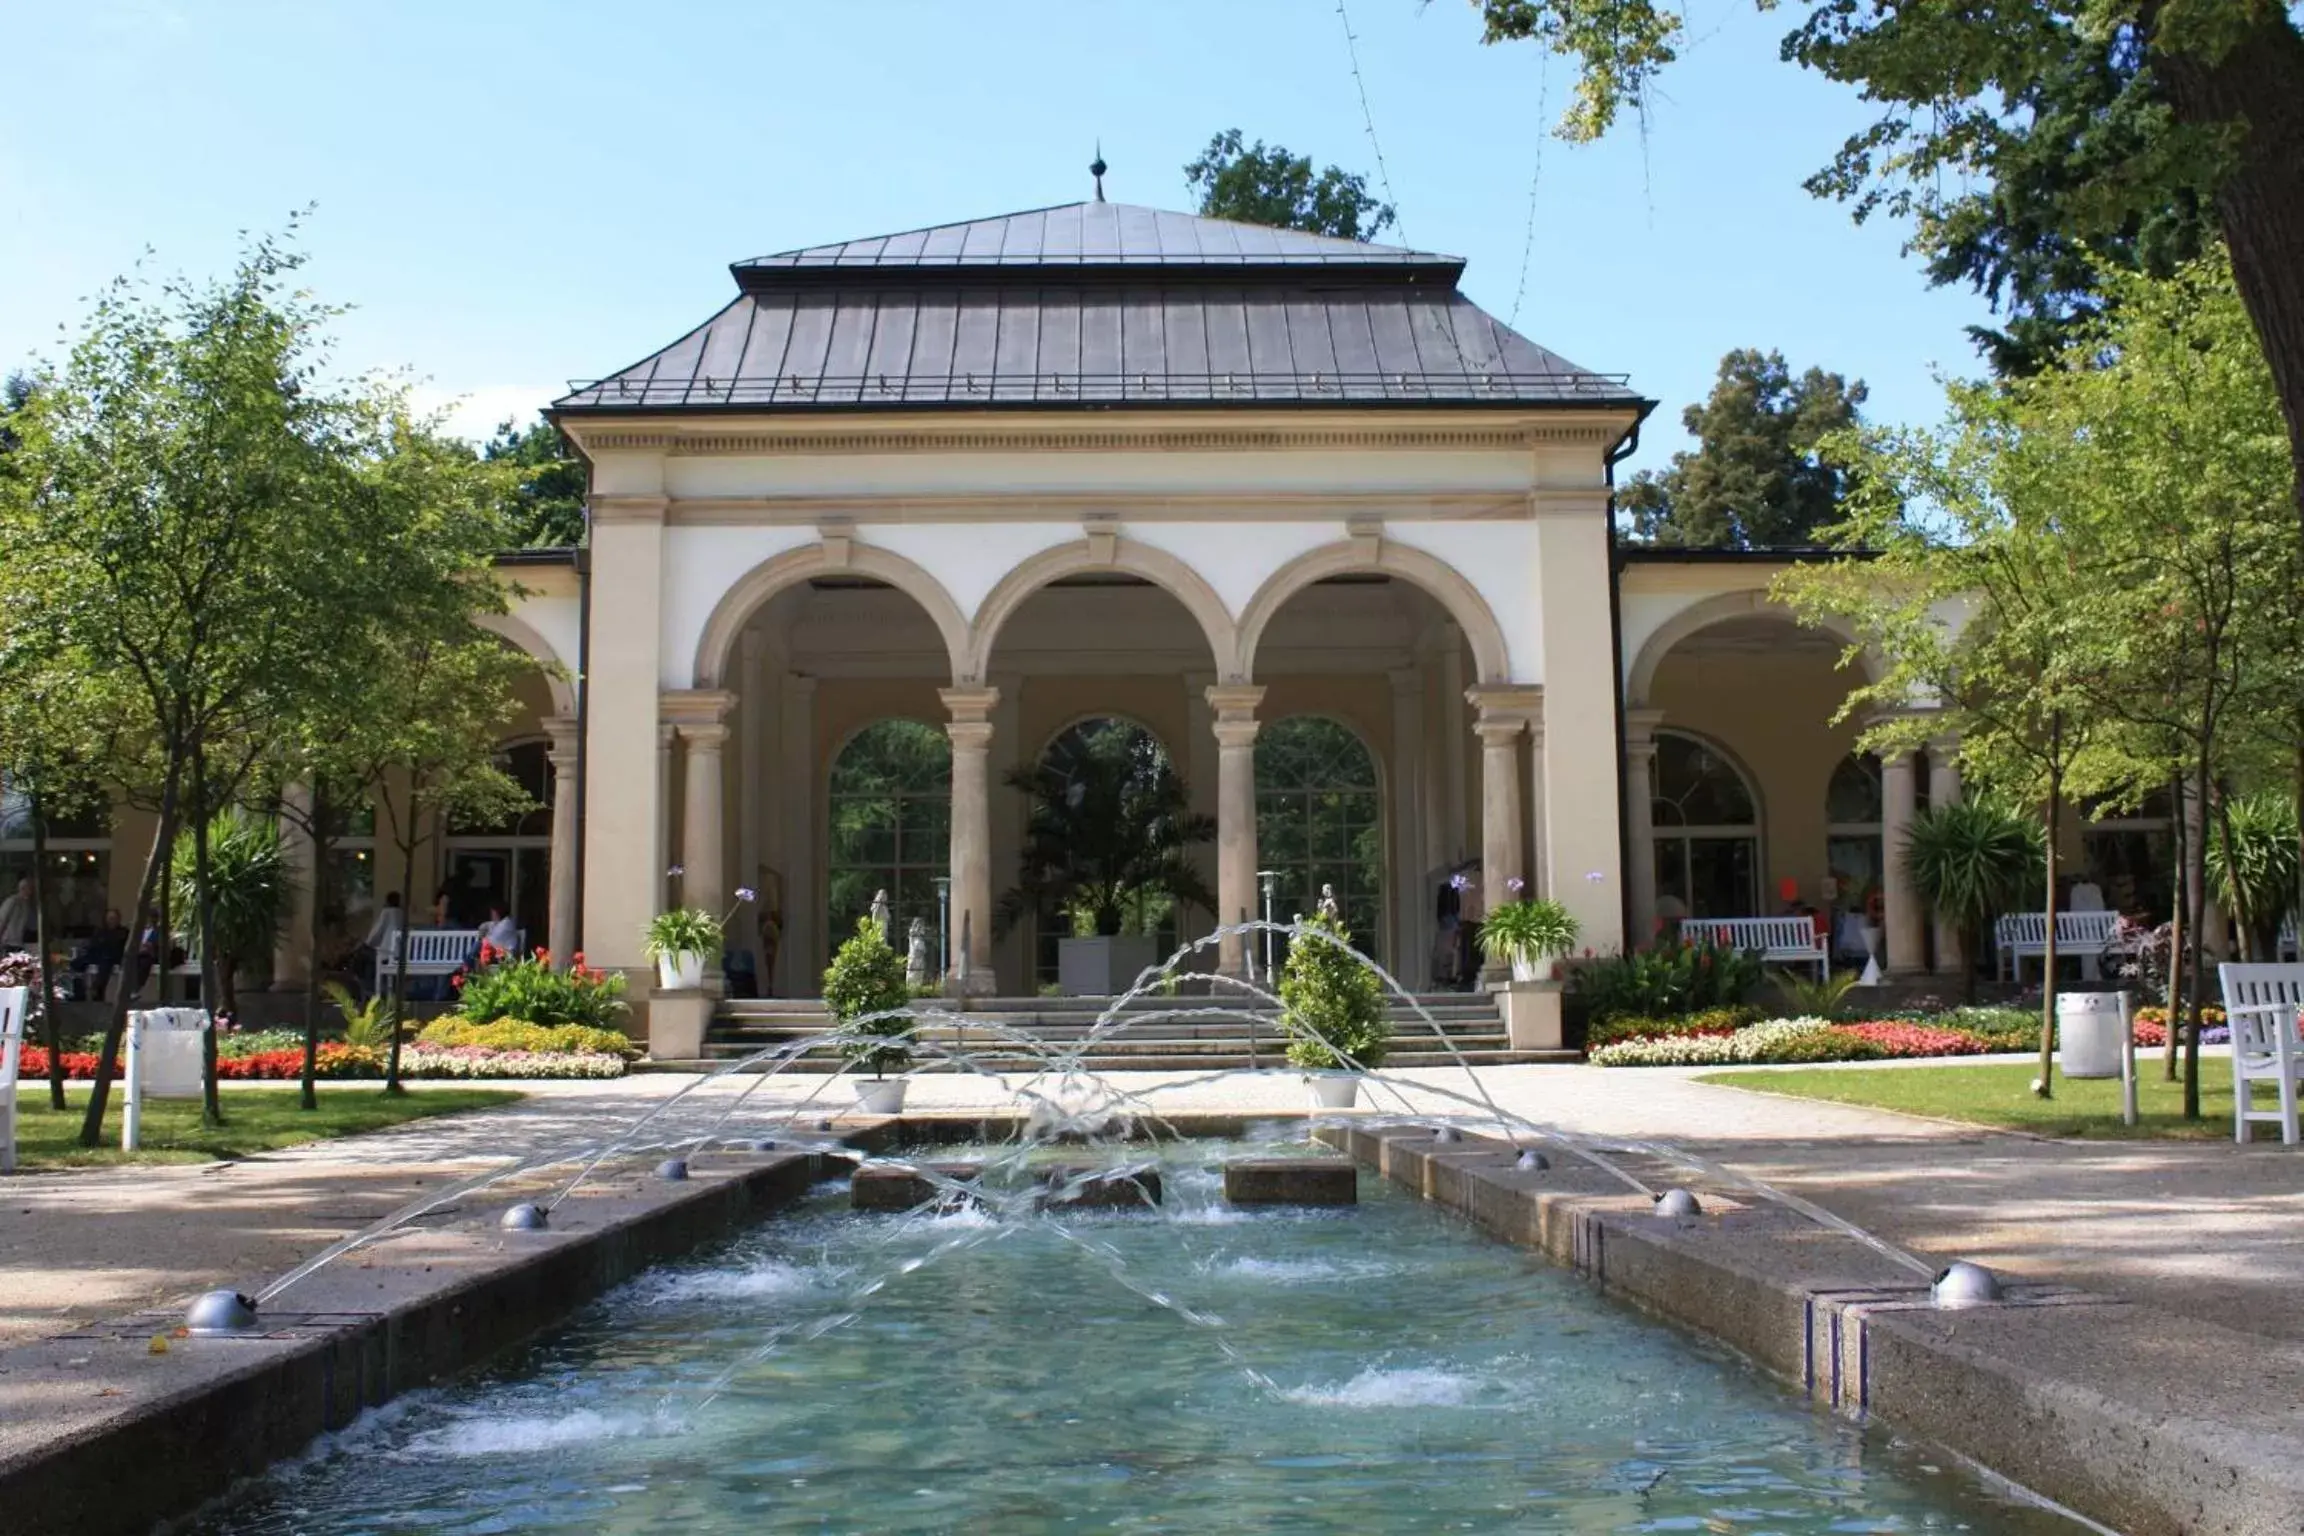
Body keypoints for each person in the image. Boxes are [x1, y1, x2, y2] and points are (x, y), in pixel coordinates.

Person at [71, 908, 129, 1000]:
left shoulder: (123, 932)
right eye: (109, 918)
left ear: (118, 919)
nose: (111, 921)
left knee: (105, 962)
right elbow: (93, 944)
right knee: (77, 962)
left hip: (113, 956)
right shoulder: (100, 931)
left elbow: (118, 946)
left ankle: (97, 990)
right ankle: (78, 992)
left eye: (113, 918)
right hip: (98, 954)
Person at [358, 892, 405, 997]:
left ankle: (370, 989)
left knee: (365, 957)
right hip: (400, 953)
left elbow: (377, 932)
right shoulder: (402, 913)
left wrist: (367, 943)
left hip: (388, 953)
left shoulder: (387, 912)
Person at [0, 876, 34, 954]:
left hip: (19, 943)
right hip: (8, 943)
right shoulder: (12, 901)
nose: (31, 892)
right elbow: (2, 920)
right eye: (30, 888)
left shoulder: (27, 904)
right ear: (23, 888)